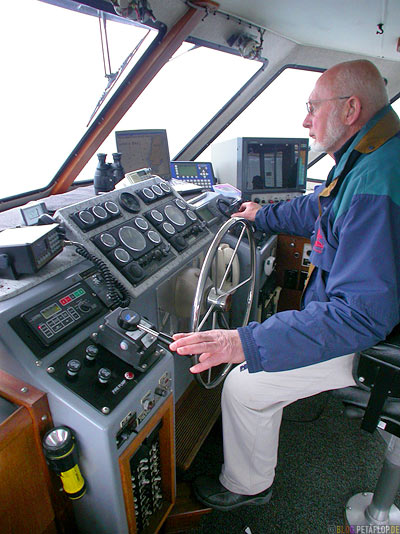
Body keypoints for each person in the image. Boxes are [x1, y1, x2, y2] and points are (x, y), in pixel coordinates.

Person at [169, 59, 400, 511]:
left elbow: (360, 315)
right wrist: (261, 216)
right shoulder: (370, 156)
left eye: (313, 106)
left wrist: (245, 341)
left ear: (350, 108)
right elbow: (320, 205)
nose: (305, 119)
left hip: (378, 343)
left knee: (244, 385)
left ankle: (247, 486)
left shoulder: (377, 179)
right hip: (365, 315)